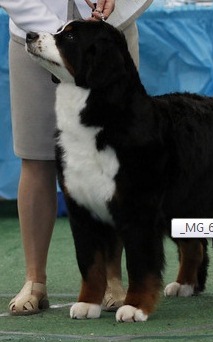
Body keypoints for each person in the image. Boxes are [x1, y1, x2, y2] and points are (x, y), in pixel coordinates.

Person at [0, 0, 152, 315]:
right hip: (36, 32)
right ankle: (34, 281)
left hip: (108, 36)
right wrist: (55, 33)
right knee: (36, 158)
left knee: (115, 161)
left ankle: (113, 278)